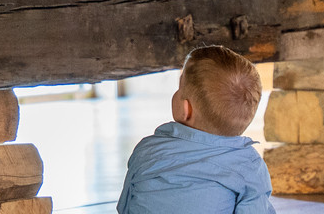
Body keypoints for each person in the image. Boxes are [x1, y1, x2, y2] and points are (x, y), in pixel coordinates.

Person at [116, 45, 276, 214]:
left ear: (187, 109)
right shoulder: (249, 164)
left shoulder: (146, 149)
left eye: (180, 87)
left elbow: (125, 207)